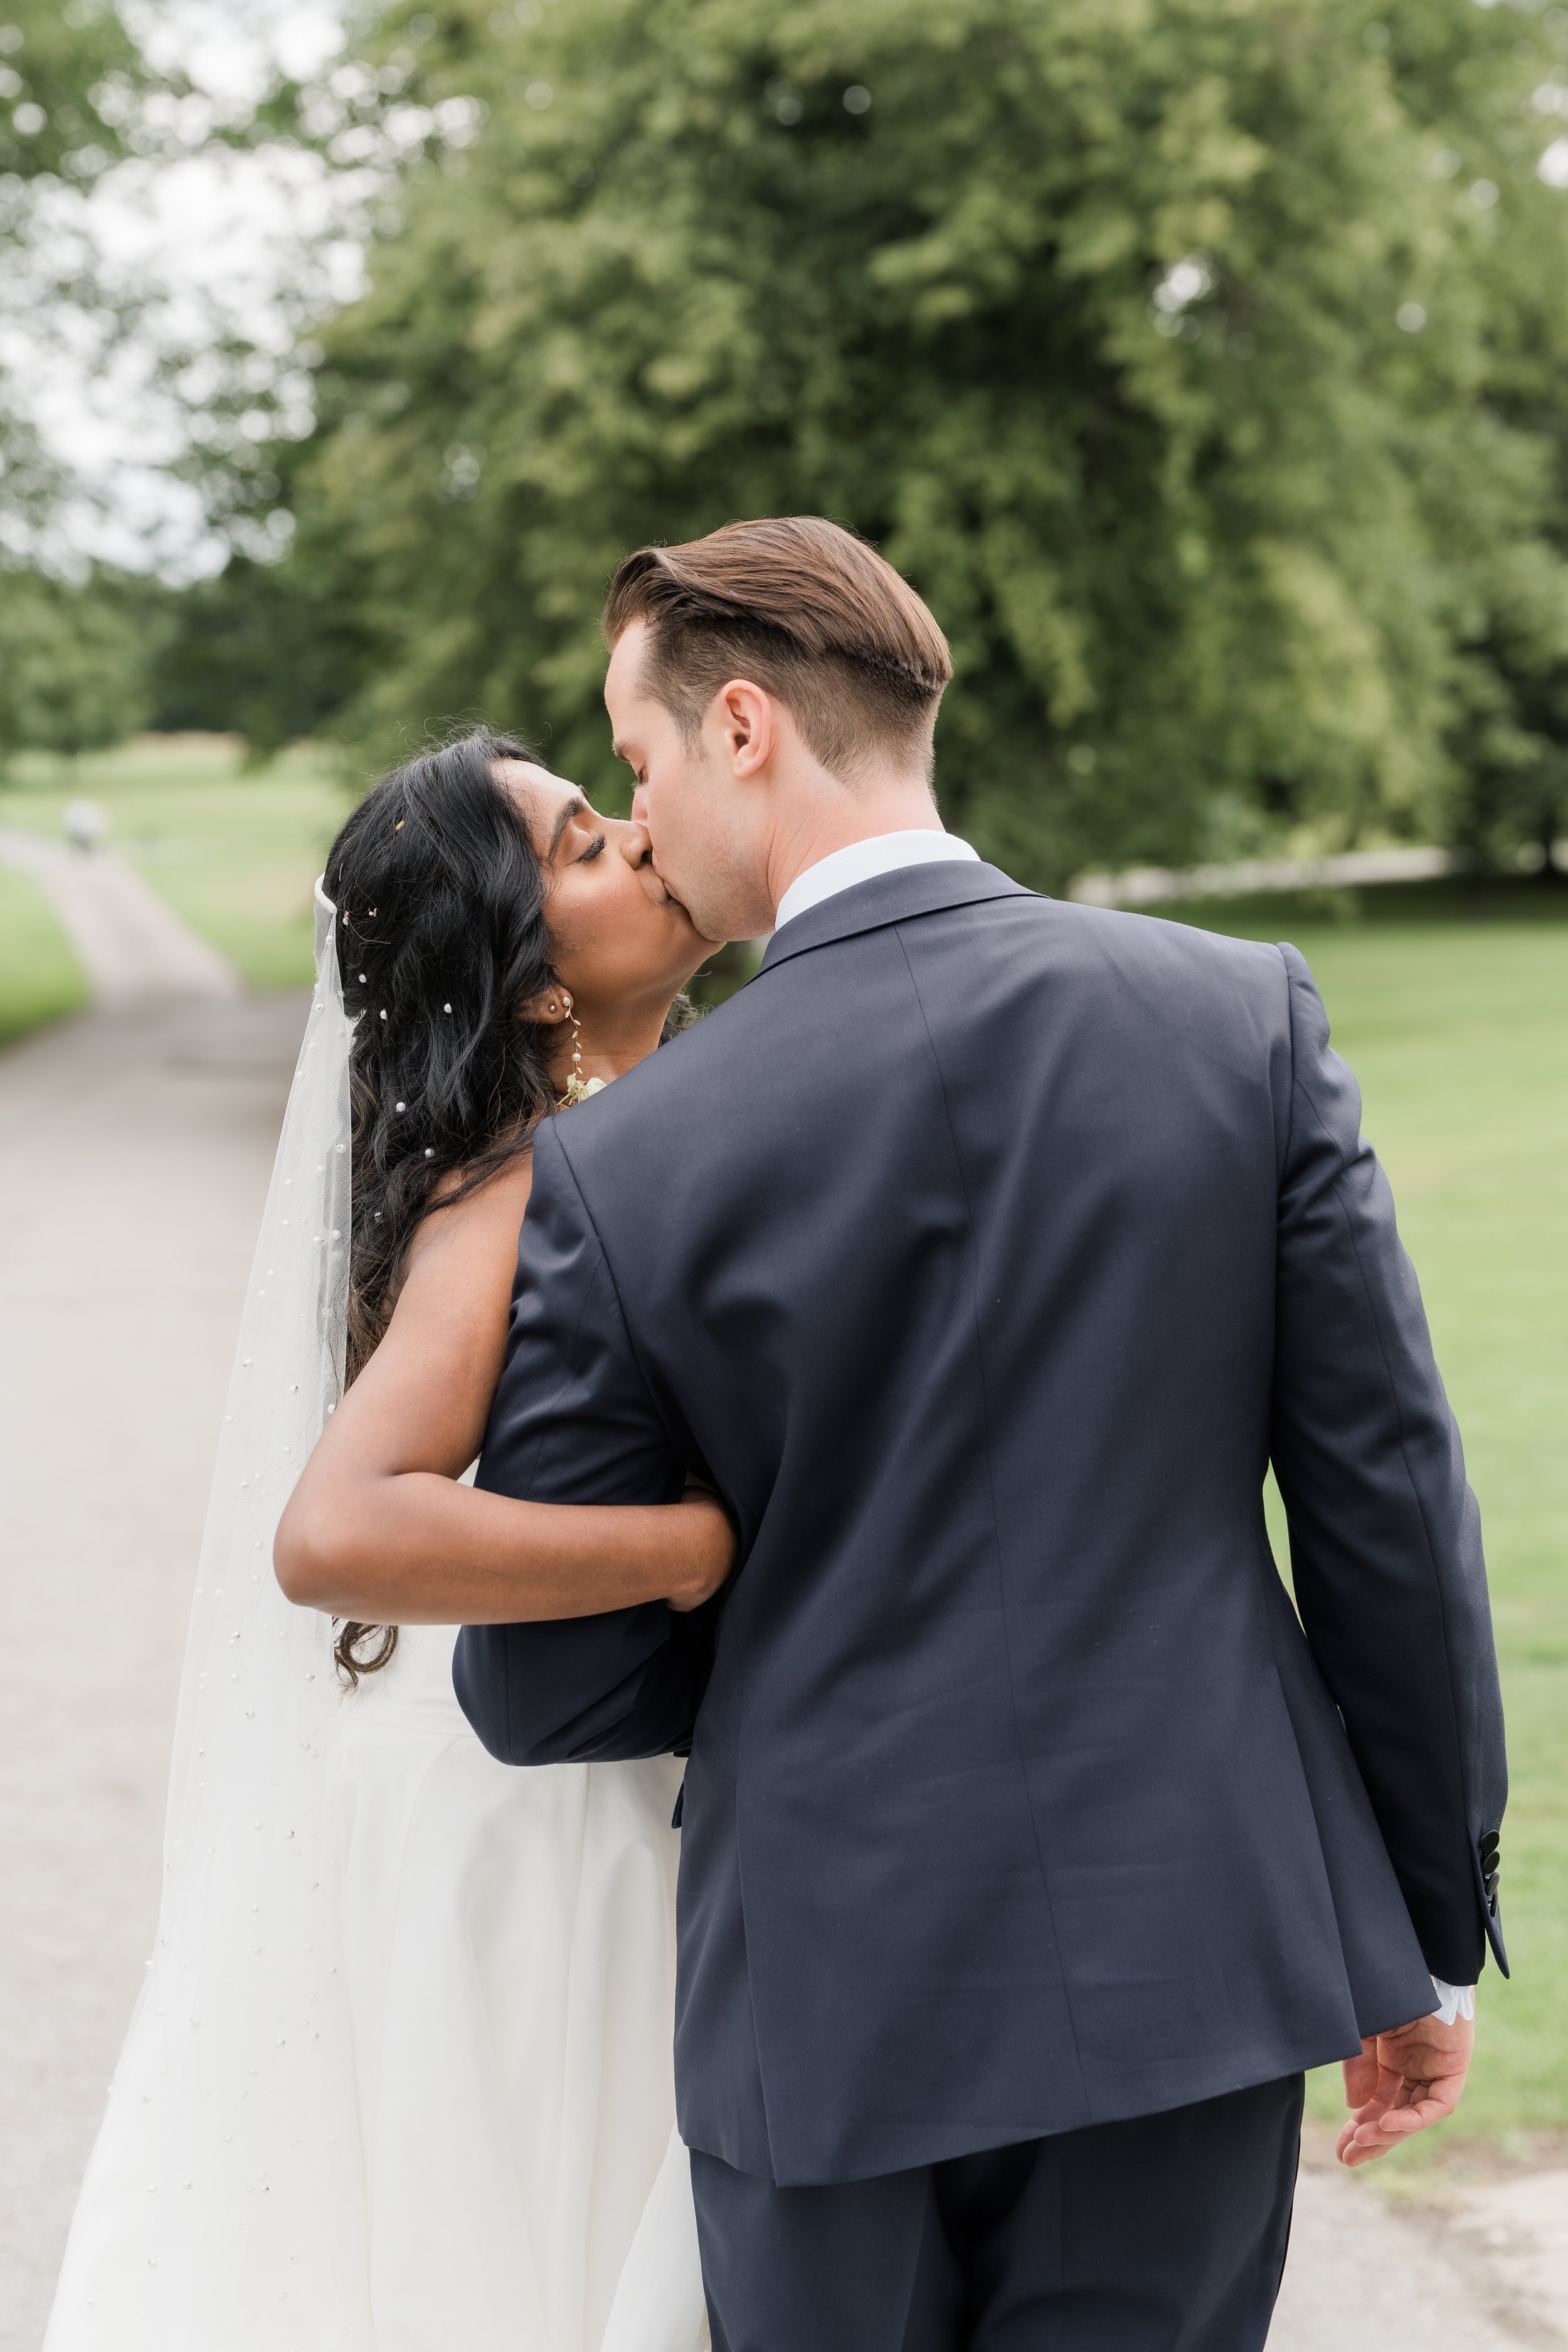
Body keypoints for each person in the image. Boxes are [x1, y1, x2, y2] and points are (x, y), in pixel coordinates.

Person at [453, 517, 1509, 2351]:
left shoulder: (627, 1164)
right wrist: (1422, 1922)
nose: (642, 823)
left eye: (633, 764)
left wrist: (759, 1607)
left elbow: (541, 1689)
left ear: (744, 729)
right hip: (1195, 1949)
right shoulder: (1237, 1018)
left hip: (831, 1998)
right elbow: (1386, 1512)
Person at [43, 731, 736, 2352]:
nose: (638, 840)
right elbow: (339, 1528)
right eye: (581, 846)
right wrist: (690, 1550)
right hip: (531, 1827)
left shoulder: (628, 1141)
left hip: (580, 1786)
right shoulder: (518, 1190)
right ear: (537, 989)